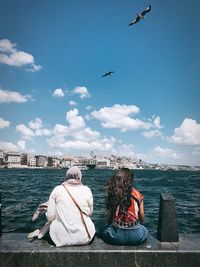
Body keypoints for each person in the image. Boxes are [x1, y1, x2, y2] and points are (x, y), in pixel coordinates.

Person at [29, 166, 95, 247]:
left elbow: (50, 218)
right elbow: (90, 213)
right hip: (86, 237)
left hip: (59, 239)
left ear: (67, 177)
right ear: (80, 177)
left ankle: (39, 233)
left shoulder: (57, 189)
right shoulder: (87, 190)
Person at [98, 168, 148, 245]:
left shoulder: (113, 193)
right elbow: (142, 219)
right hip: (136, 237)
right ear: (131, 180)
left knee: (100, 229)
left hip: (116, 236)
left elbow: (109, 220)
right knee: (145, 230)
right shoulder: (138, 195)